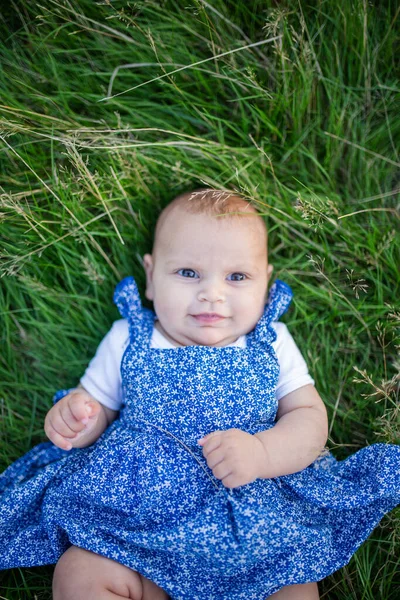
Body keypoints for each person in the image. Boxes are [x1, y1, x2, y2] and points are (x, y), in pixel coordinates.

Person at [0, 188, 399, 600]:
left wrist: (263, 453)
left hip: (256, 529)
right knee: (79, 572)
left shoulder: (270, 341)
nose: (212, 293)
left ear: (265, 282)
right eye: (188, 273)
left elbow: (308, 417)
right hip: (138, 526)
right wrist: (78, 417)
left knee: (294, 587)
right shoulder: (130, 338)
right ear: (152, 278)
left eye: (237, 277)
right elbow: (96, 407)